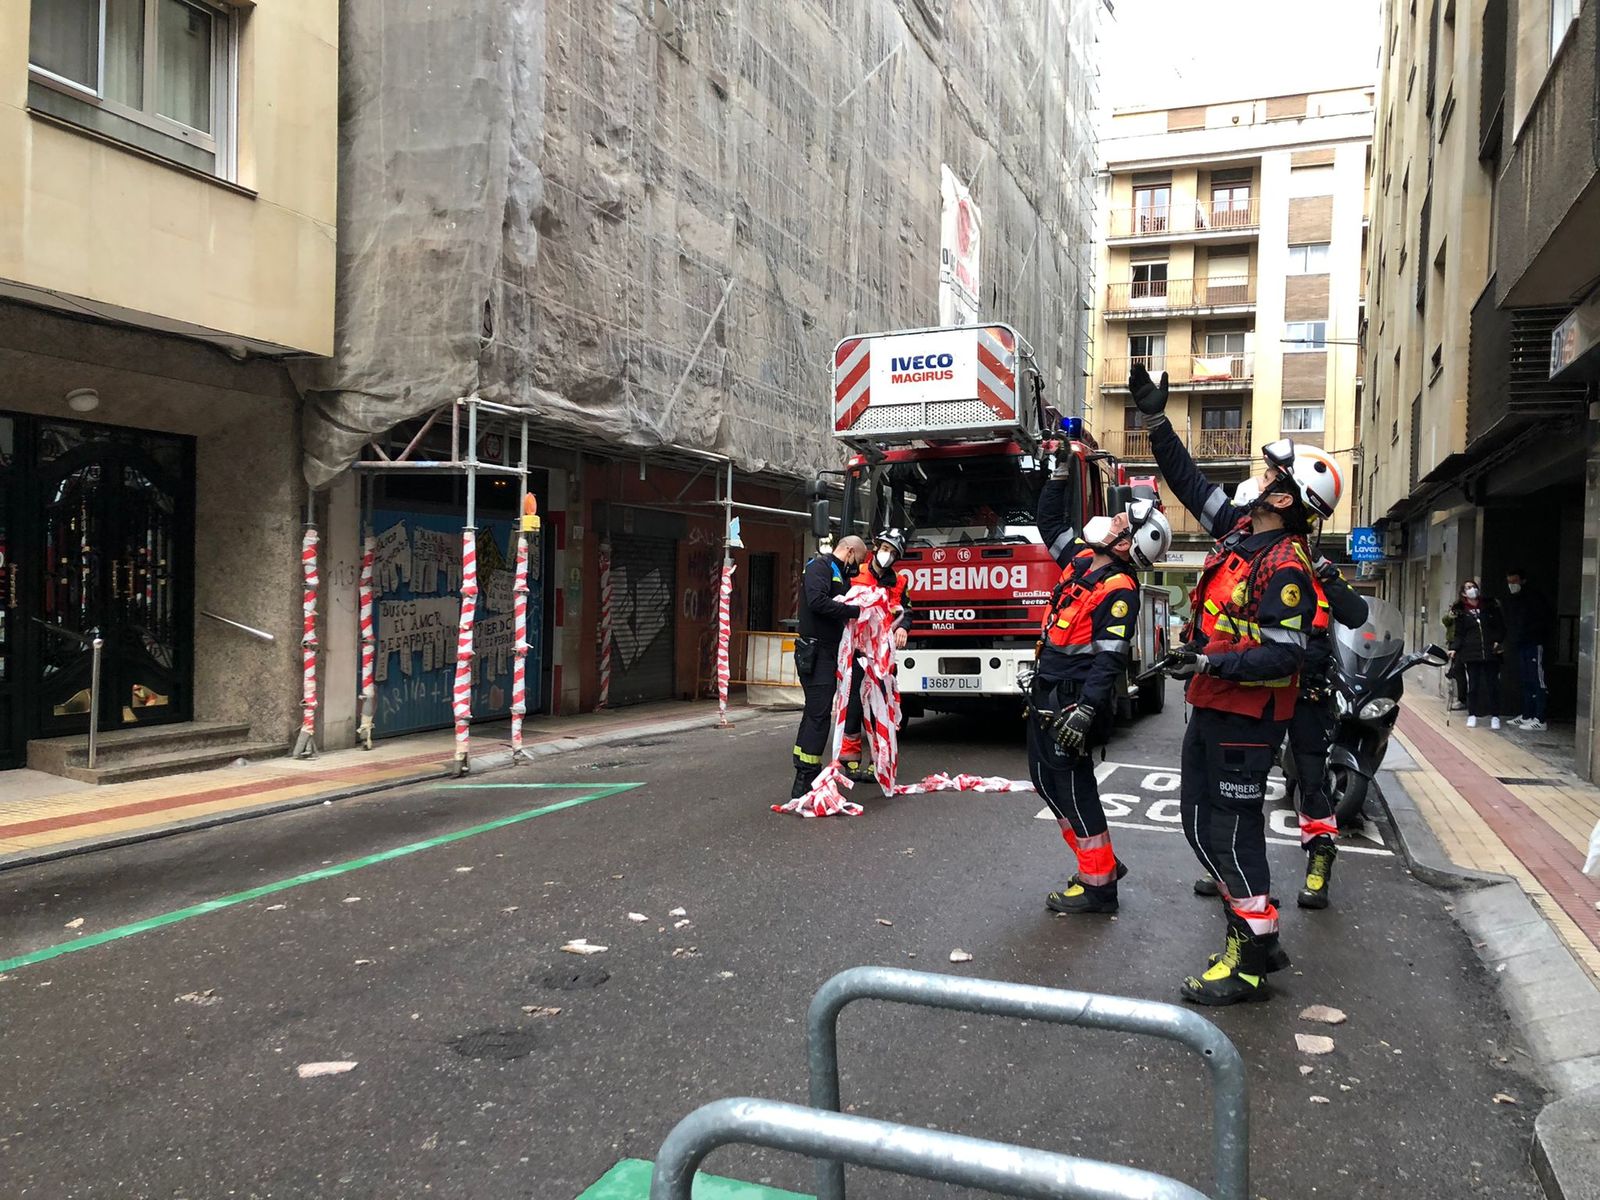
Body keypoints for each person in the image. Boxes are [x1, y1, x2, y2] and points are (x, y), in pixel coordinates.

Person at [1131, 362, 1334, 1006]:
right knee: (1196, 823)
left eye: (1273, 475)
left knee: (1230, 829)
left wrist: (1212, 661)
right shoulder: (1242, 535)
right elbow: (1190, 483)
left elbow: (1285, 654)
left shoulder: (1285, 564)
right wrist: (1157, 421)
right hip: (1214, 706)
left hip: (1247, 717)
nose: (1261, 477)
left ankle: (1249, 960)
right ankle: (1258, 936)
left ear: (1283, 499)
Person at [1030, 455, 1173, 914]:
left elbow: (1110, 661)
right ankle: (1102, 863)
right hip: (1047, 690)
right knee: (1043, 780)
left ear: (1130, 541)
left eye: (1119, 519)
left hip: (1073, 700)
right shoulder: (1083, 560)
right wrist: (1057, 473)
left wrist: (1088, 709)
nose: (1110, 519)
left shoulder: (1121, 590)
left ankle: (1099, 886)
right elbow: (1048, 521)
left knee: (1073, 789)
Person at [1196, 551, 1368, 907]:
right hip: (1262, 691)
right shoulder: (1259, 567)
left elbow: (1356, 614)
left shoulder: (1312, 570)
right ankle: (1233, 872)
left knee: (1312, 780)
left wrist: (1324, 570)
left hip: (1309, 694)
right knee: (1242, 787)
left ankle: (1319, 863)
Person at [791, 535, 869, 800]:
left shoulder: (839, 573)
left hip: (830, 651)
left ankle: (807, 771)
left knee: (817, 713)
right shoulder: (820, 567)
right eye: (856, 560)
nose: (856, 567)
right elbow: (817, 602)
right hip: (815, 652)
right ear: (848, 551)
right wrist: (854, 611)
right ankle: (805, 778)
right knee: (819, 714)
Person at [840, 530, 914, 777]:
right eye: (885, 549)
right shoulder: (855, 573)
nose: (888, 556)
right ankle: (848, 759)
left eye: (893, 553)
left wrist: (903, 626)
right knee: (852, 704)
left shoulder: (899, 582)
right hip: (857, 650)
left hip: (882, 656)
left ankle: (879, 761)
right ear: (876, 546)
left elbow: (907, 610)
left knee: (880, 706)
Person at [1447, 579, 1505, 730]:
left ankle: (1495, 716)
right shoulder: (1460, 611)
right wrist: (1454, 648)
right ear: (1463, 593)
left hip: (1490, 652)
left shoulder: (1489, 606)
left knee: (1493, 685)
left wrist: (1498, 640)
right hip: (1471, 653)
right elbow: (1459, 633)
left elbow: (1500, 626)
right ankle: (1472, 715)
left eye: (1473, 586)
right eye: (1468, 587)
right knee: (1473, 686)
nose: (1472, 589)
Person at [1503, 568, 1553, 732]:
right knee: (1526, 680)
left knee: (1538, 680)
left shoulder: (1534, 599)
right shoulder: (1514, 600)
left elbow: (1541, 621)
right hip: (1521, 644)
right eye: (1509, 582)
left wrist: (1529, 634)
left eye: (1515, 581)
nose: (1512, 585)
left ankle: (1540, 718)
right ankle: (1527, 715)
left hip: (1534, 643)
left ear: (1522, 581)